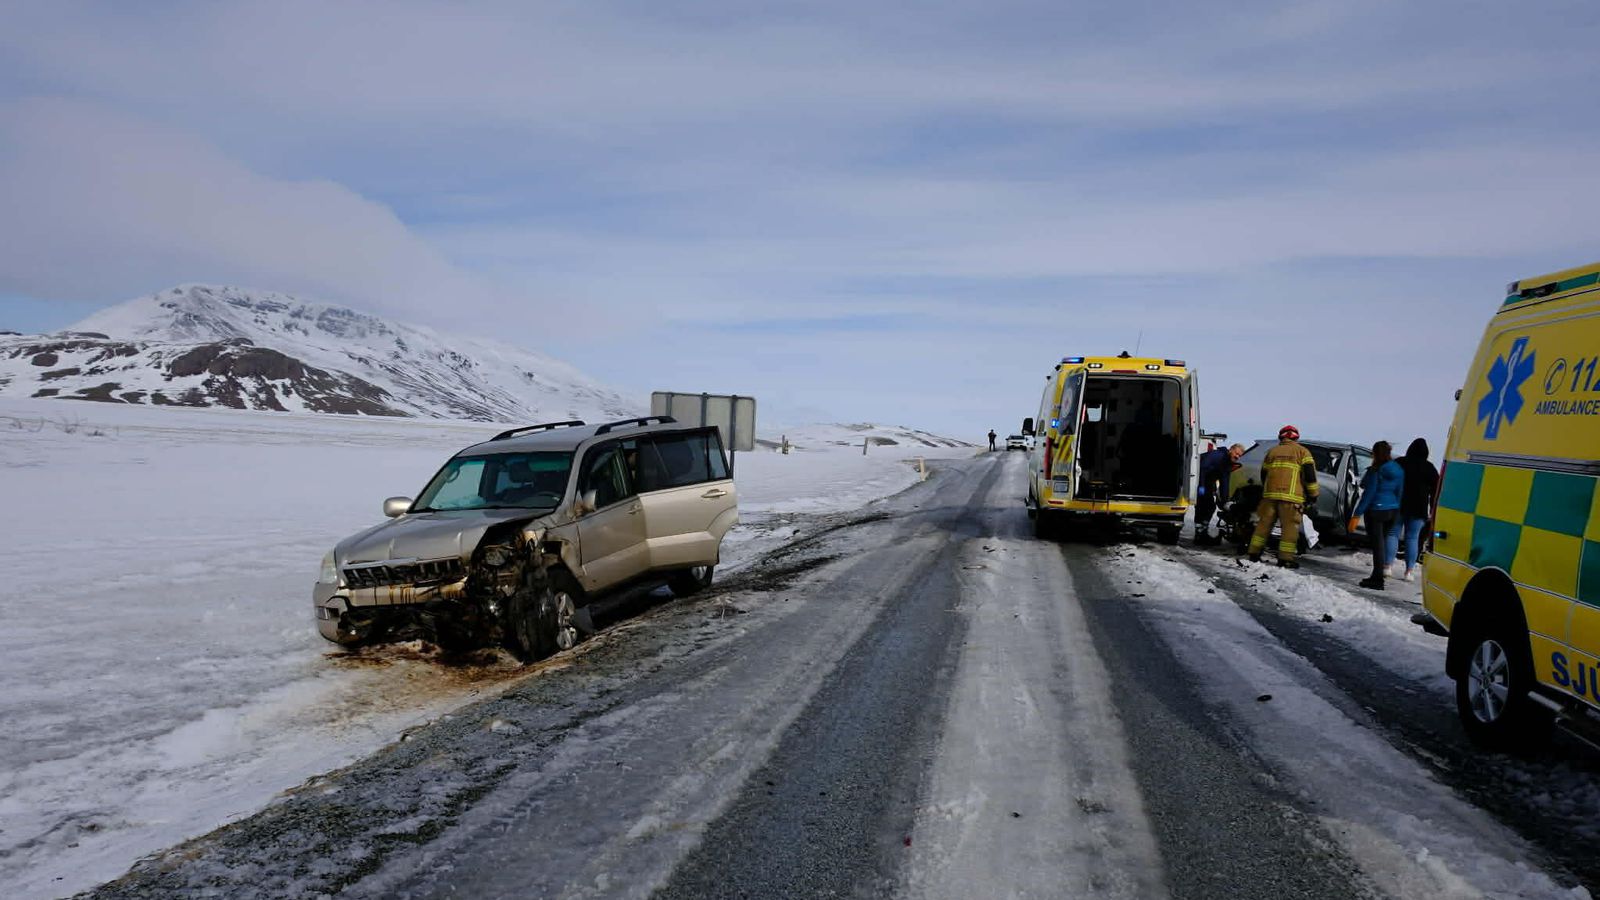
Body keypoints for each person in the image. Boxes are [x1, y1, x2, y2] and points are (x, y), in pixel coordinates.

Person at [1246, 425, 1320, 567]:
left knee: (1263, 526)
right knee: (1290, 529)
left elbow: (1264, 474)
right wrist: (1313, 494)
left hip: (1270, 497)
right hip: (1291, 499)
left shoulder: (1271, 452)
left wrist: (1268, 490)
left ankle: (1253, 553)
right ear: (1296, 437)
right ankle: (1285, 559)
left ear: (1281, 437)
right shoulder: (1303, 452)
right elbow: (1310, 475)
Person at [1352, 440, 1405, 590]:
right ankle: (1378, 576)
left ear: (1375, 453)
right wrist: (1397, 509)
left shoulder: (1376, 470)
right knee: (1383, 543)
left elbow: (1369, 493)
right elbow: (1400, 491)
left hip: (1376, 510)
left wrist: (1357, 514)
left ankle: (1377, 579)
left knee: (1378, 546)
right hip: (1393, 510)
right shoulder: (1398, 470)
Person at [1396, 438, 1438, 583]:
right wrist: (1433, 509)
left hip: (1399, 504)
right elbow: (1436, 491)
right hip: (1419, 507)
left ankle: (1387, 566)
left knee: (1392, 534)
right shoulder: (1430, 468)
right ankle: (1409, 571)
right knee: (1412, 538)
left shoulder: (1400, 462)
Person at [1194, 442, 1246, 545]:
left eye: (1239, 456)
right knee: (1205, 506)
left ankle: (1201, 533)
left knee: (1209, 507)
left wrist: (1225, 500)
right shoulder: (1217, 456)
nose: (1237, 456)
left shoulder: (1227, 464)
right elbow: (1202, 468)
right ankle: (1200, 534)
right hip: (1198, 480)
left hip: (1207, 484)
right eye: (1236, 453)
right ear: (1231, 450)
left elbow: (1224, 483)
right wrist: (1201, 486)